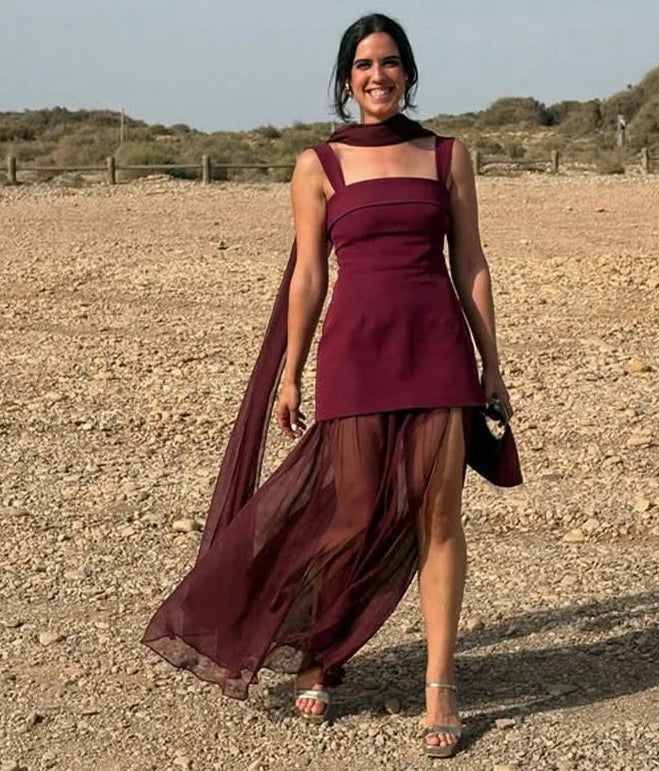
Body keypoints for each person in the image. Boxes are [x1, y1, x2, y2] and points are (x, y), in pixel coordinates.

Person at [141, 12, 521, 761]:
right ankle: (318, 648)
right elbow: (310, 274)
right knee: (347, 517)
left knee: (438, 519)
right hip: (354, 352)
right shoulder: (318, 163)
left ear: (408, 71)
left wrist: (492, 363)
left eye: (388, 62)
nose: (376, 76)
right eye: (361, 65)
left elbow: (470, 262)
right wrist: (289, 369)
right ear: (346, 79)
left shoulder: (447, 155)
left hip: (436, 348)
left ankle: (439, 685)